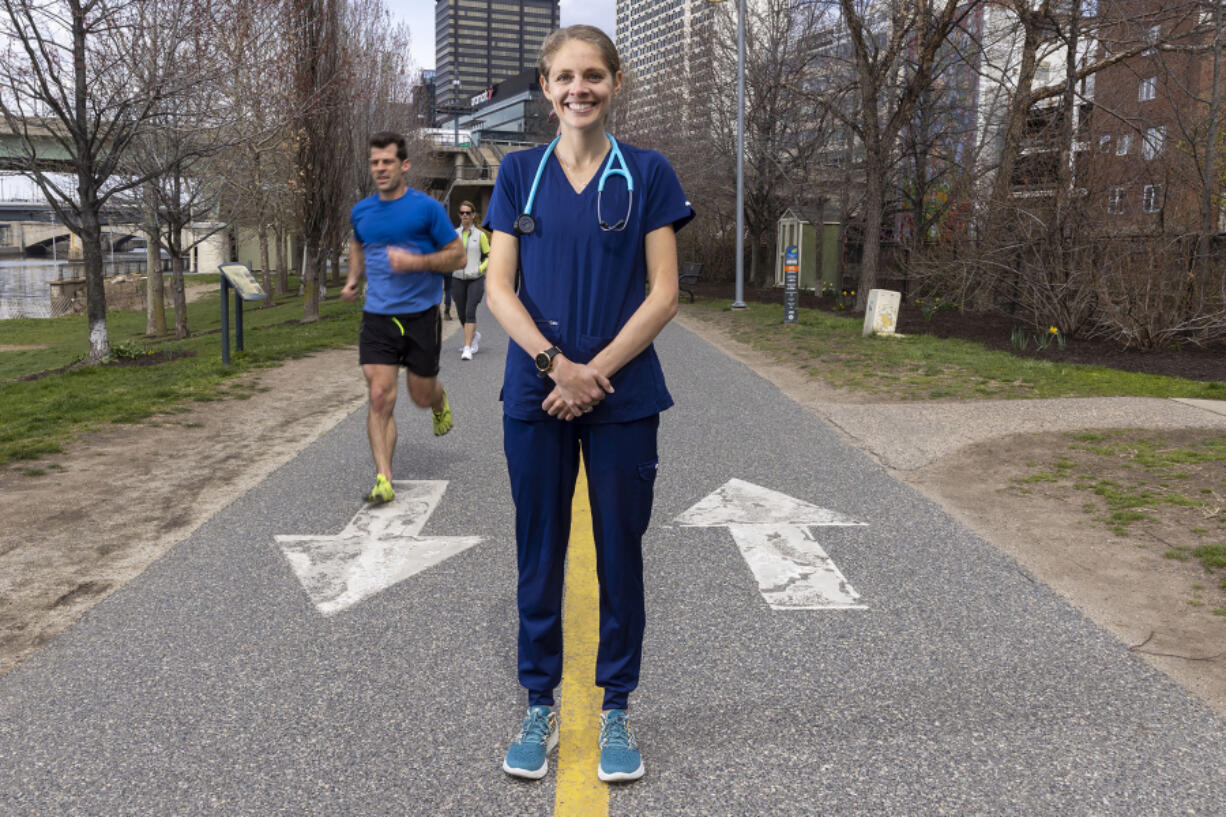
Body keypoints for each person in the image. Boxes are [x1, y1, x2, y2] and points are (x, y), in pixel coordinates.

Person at [484, 25, 694, 783]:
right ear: (545, 88)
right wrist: (553, 366)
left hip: (622, 397)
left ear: (615, 82)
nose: (580, 88)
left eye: (594, 75)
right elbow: (498, 288)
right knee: (538, 554)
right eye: (566, 76)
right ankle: (539, 702)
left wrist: (591, 372)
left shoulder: (648, 174)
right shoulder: (518, 176)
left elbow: (664, 294)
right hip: (534, 394)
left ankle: (615, 710)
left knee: (618, 554)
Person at [342, 132, 465, 505]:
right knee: (379, 395)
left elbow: (457, 256)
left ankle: (439, 400)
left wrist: (417, 262)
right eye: (375, 162)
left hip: (420, 315)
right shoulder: (362, 211)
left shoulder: (426, 209)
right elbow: (357, 243)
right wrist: (352, 279)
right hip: (378, 315)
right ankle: (384, 478)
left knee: (420, 393)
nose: (380, 168)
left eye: (388, 162)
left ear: (404, 165)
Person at [451, 200, 490, 360]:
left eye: (468, 213)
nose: (465, 215)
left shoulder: (480, 235)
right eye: (462, 213)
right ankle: (474, 336)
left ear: (473, 215)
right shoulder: (454, 234)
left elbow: (489, 256)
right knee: (461, 314)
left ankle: (467, 348)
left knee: (469, 312)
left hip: (475, 279)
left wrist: (480, 269)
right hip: (457, 278)